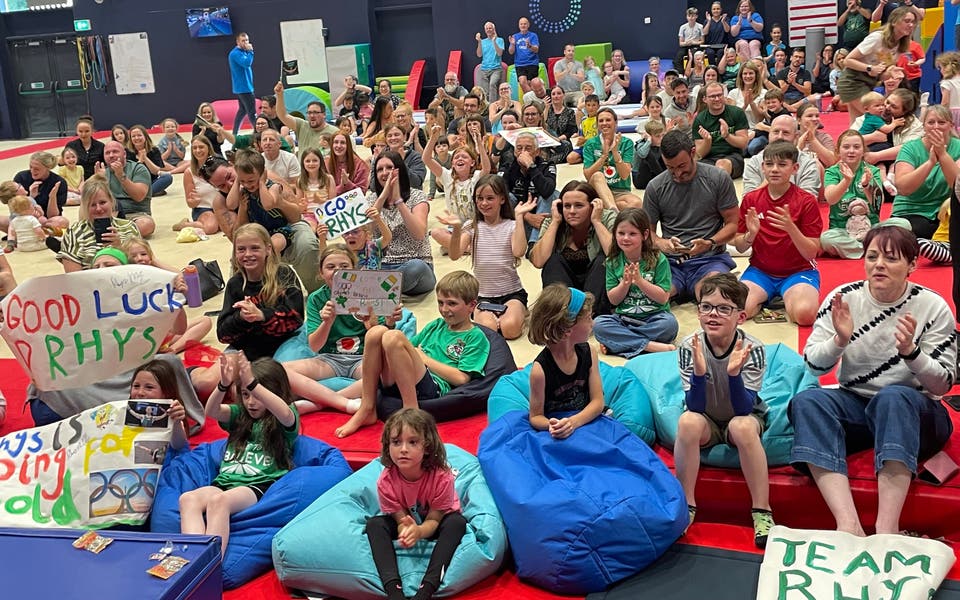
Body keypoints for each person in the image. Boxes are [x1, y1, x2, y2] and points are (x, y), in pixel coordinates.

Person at [791, 226, 955, 536]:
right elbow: (813, 365)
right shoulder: (843, 299)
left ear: (912, 265)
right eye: (872, 256)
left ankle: (886, 527)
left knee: (892, 397)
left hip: (917, 412)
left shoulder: (932, 306)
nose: (879, 264)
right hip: (858, 404)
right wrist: (839, 340)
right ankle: (849, 524)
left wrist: (912, 353)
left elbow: (943, 385)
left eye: (891, 258)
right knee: (808, 401)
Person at [676, 273, 773, 548]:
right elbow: (694, 406)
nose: (713, 315)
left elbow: (744, 408)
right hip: (706, 418)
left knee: (741, 426)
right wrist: (698, 373)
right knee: (687, 422)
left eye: (723, 309)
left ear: (740, 317)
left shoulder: (752, 348)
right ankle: (686, 505)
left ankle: (762, 511)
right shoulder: (690, 346)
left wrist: (733, 375)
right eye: (706, 307)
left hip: (742, 416)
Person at [335, 271, 490, 438]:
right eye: (440, 303)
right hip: (401, 380)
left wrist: (425, 359)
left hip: (432, 387)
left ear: (472, 305)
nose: (444, 310)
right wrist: (384, 324)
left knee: (392, 336)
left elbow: (462, 379)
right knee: (376, 332)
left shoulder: (475, 337)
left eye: (452, 304)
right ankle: (367, 406)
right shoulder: (436, 325)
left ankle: (412, 412)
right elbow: (403, 348)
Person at [181, 353, 299, 557]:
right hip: (225, 482)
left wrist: (253, 384)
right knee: (188, 499)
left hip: (256, 486)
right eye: (245, 395)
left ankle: (209, 562)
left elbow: (284, 412)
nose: (251, 402)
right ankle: (193, 558)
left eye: (257, 396)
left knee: (219, 502)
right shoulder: (240, 415)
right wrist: (223, 385)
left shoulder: (284, 418)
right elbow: (212, 411)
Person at [283, 244, 400, 415]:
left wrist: (374, 326)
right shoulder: (317, 299)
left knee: (391, 373)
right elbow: (315, 347)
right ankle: (344, 401)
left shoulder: (371, 293)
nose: (338, 271)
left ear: (355, 270)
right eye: (330, 267)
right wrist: (327, 323)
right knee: (280, 371)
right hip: (329, 359)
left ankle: (323, 403)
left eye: (344, 266)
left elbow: (380, 341)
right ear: (321, 274)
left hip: (363, 358)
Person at [366, 408, 467, 600]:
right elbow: (400, 517)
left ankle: (426, 589)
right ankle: (394, 591)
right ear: (388, 445)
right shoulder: (386, 482)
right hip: (409, 523)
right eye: (396, 442)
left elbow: (434, 520)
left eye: (412, 442)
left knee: (457, 523)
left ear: (427, 447)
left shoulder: (442, 477)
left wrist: (419, 531)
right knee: (374, 524)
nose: (403, 449)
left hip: (436, 523)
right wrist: (406, 528)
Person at [643, 130, 739, 302]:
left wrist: (710, 243)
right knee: (650, 299)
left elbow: (733, 224)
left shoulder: (718, 178)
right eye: (670, 168)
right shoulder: (655, 187)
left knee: (713, 297)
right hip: (671, 263)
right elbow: (646, 232)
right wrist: (661, 243)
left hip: (710, 259)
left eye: (681, 166)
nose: (677, 174)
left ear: (693, 152)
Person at [733, 142, 822, 326]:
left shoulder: (806, 201)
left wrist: (791, 228)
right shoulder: (751, 199)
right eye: (769, 164)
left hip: (799, 271)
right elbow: (740, 246)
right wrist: (751, 234)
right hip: (760, 271)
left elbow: (811, 253)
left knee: (805, 315)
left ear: (794, 168)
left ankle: (785, 296)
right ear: (762, 167)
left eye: (782, 165)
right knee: (737, 311)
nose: (774, 170)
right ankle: (767, 297)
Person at [441, 174, 534, 340]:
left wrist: (519, 217)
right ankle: (496, 318)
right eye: (479, 198)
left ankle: (517, 312)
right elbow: (455, 255)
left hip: (511, 293)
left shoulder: (511, 225)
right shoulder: (472, 226)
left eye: (490, 198)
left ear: (502, 199)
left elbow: (519, 251)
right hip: (482, 295)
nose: (484, 203)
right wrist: (456, 229)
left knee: (510, 329)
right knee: (488, 331)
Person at [593, 208, 679, 357]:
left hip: (655, 317)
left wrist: (640, 281)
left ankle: (621, 343)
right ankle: (649, 346)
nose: (626, 238)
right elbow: (613, 300)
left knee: (670, 325)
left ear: (644, 235)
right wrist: (624, 284)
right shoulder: (613, 262)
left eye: (632, 234)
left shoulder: (659, 259)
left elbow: (663, 297)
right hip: (624, 319)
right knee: (598, 325)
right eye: (621, 233)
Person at [527, 285, 604, 438]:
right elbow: (535, 417)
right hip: (559, 429)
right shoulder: (540, 371)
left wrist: (573, 422)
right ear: (567, 330)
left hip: (585, 420)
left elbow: (598, 402)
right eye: (589, 318)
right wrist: (554, 426)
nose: (593, 323)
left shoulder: (590, 353)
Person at [530, 181, 616, 315]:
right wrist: (555, 222)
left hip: (596, 289)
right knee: (553, 261)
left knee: (603, 261)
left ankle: (593, 314)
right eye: (567, 206)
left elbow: (615, 257)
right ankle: (562, 313)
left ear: (592, 206)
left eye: (579, 206)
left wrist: (597, 222)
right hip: (566, 287)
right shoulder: (553, 221)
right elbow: (538, 261)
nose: (572, 211)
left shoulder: (606, 218)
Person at [122, 238, 212, 355]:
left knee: (205, 321)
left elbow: (178, 276)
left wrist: (153, 260)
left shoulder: (157, 274)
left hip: (164, 333)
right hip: (142, 336)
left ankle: (173, 350)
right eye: (133, 256)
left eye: (143, 254)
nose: (139, 258)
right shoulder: (125, 280)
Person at [821, 130, 901, 258]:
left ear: (863, 150)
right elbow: (831, 199)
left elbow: (877, 204)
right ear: (838, 150)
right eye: (846, 147)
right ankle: (873, 249)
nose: (851, 151)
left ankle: (865, 248)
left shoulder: (873, 171)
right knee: (826, 239)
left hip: (871, 229)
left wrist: (866, 186)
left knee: (902, 224)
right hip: (842, 231)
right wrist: (846, 181)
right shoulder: (832, 172)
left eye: (856, 147)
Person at [368, 151, 436, 296]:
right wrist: (383, 196)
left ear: (399, 170)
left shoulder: (417, 196)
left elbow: (419, 234)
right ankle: (384, 290)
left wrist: (399, 200)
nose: (384, 173)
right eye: (380, 169)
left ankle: (374, 289)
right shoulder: (371, 199)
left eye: (389, 168)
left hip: (414, 264)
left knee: (415, 268)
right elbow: (366, 232)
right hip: (382, 265)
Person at [837, 6, 916, 123]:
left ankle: (852, 141)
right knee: (877, 117)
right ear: (894, 22)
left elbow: (881, 75)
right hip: (852, 81)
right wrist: (869, 68)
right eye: (907, 21)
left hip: (869, 82)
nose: (911, 25)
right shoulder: (878, 38)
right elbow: (848, 60)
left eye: (913, 22)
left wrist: (890, 73)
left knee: (857, 123)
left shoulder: (900, 45)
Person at [892, 105, 960, 239]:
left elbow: (957, 186)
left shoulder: (958, 147)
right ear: (924, 126)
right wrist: (930, 163)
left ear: (950, 125)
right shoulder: (910, 148)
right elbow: (903, 188)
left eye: (941, 122)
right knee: (914, 230)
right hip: (912, 211)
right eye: (931, 122)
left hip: (945, 211)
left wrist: (942, 154)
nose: (936, 126)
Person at [423, 125, 488, 253]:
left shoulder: (475, 177)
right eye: (456, 157)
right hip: (454, 226)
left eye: (464, 157)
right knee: (436, 232)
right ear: (452, 164)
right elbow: (426, 159)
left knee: (473, 227)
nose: (460, 159)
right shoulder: (447, 177)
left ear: (472, 163)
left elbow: (486, 168)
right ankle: (467, 248)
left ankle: (455, 248)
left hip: (474, 224)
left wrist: (479, 143)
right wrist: (433, 138)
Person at [57, 174, 140, 272]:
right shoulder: (74, 232)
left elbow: (141, 267)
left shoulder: (129, 228)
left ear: (111, 201)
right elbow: (74, 277)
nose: (98, 209)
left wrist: (120, 248)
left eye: (102, 202)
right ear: (85, 207)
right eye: (92, 205)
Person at [228, 149, 300, 255]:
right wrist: (237, 182)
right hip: (257, 233)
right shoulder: (244, 192)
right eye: (243, 181)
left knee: (273, 246)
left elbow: (268, 205)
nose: (247, 185)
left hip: (279, 230)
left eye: (251, 180)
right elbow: (230, 204)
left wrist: (261, 183)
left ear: (262, 174)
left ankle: (271, 266)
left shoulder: (273, 187)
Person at [744, 114, 824, 198]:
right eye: (776, 132)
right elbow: (747, 201)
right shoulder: (755, 162)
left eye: (786, 133)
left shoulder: (808, 163)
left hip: (795, 210)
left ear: (796, 137)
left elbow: (808, 203)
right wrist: (769, 180)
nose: (780, 137)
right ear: (769, 134)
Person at [582, 107, 640, 209]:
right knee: (598, 175)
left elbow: (625, 175)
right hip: (597, 190)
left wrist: (615, 151)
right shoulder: (590, 144)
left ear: (616, 123)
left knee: (636, 203)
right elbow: (588, 175)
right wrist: (603, 156)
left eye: (608, 120)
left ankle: (608, 207)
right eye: (601, 121)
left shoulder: (627, 143)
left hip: (620, 192)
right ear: (597, 125)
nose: (604, 123)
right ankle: (613, 212)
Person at [95, 140, 154, 238]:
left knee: (146, 225)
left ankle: (112, 235)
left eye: (115, 151)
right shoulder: (103, 172)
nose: (111, 155)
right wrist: (99, 181)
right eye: (107, 153)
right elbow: (93, 201)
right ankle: (119, 234)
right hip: (111, 215)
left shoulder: (138, 169)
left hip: (135, 215)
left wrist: (121, 175)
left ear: (124, 154)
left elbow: (139, 196)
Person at [130, 359, 189, 452]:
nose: (140, 392)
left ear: (166, 392)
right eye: (136, 386)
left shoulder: (172, 414)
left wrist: (176, 422)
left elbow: (178, 445)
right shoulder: (124, 414)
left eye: (149, 387)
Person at [693, 82, 749, 178]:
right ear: (705, 99)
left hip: (732, 157)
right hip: (708, 158)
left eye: (719, 95)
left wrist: (727, 135)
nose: (717, 99)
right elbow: (699, 154)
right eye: (712, 96)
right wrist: (707, 141)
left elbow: (743, 143)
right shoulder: (700, 119)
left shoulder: (737, 113)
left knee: (721, 165)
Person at [273, 81, 338, 155]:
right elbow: (283, 115)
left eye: (315, 112)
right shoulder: (302, 126)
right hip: (302, 166)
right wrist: (280, 95)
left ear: (324, 115)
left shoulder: (334, 132)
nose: (312, 115)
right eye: (309, 113)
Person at [12, 151, 69, 232]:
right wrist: (31, 197)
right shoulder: (21, 177)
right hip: (23, 218)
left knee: (62, 221)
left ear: (48, 168)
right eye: (30, 167)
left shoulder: (59, 182)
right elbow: (15, 208)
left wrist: (52, 197)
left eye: (37, 169)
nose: (32, 171)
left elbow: (52, 215)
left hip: (47, 220)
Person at [128, 124, 174, 197]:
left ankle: (145, 194)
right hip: (135, 183)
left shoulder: (154, 150)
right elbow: (131, 174)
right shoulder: (127, 152)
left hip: (151, 182)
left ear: (145, 136)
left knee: (168, 177)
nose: (136, 138)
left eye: (139, 135)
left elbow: (156, 172)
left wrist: (145, 158)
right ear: (130, 139)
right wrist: (140, 161)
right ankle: (149, 193)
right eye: (133, 136)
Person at [228, 32, 256, 135]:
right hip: (244, 88)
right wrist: (251, 51)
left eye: (247, 40)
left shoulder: (242, 52)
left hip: (243, 87)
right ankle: (259, 133)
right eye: (243, 41)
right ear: (238, 42)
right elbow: (247, 63)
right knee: (252, 113)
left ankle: (234, 133)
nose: (246, 43)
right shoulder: (235, 53)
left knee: (242, 111)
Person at [632, 119, 667, 190]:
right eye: (658, 136)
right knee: (649, 155)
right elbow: (643, 154)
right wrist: (648, 141)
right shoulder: (641, 144)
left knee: (665, 152)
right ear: (649, 136)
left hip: (653, 177)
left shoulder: (660, 144)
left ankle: (666, 179)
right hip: (640, 179)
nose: (661, 138)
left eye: (662, 135)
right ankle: (664, 180)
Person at [509, 16, 540, 94]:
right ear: (519, 25)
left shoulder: (533, 35)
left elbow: (536, 50)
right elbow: (511, 52)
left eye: (525, 24)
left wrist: (529, 46)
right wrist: (512, 44)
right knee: (522, 82)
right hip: (520, 64)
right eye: (521, 24)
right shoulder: (515, 36)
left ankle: (531, 102)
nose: (523, 25)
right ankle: (533, 101)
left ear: (528, 25)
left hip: (532, 63)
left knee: (531, 84)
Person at [476, 22, 506, 101]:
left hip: (496, 69)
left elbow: (499, 53)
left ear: (494, 29)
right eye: (487, 28)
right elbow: (479, 55)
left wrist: (494, 41)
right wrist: (479, 42)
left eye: (490, 28)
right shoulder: (483, 42)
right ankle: (487, 106)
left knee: (492, 85)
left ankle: (493, 106)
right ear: (485, 30)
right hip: (484, 69)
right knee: (485, 90)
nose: (489, 30)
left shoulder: (500, 40)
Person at [776, 47, 813, 111]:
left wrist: (795, 84)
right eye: (796, 56)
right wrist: (788, 82)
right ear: (791, 58)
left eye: (800, 57)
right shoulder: (781, 73)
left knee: (814, 97)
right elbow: (781, 91)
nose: (798, 59)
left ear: (803, 60)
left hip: (800, 99)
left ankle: (790, 108)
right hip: (785, 99)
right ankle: (794, 109)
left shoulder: (806, 73)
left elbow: (808, 91)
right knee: (777, 101)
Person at [937, 51, 960, 132]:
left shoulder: (947, 83)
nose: (940, 71)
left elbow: (945, 102)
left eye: (940, 68)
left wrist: (940, 113)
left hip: (952, 113)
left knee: (953, 133)